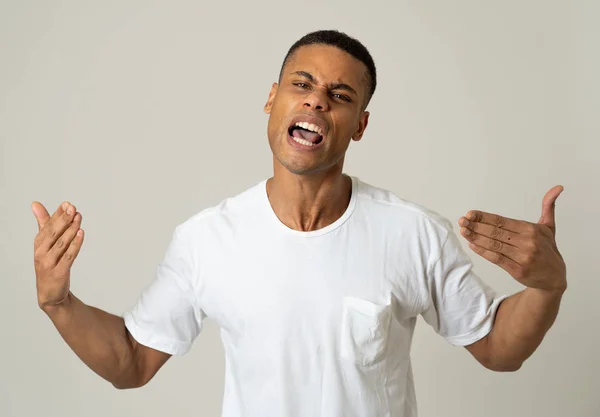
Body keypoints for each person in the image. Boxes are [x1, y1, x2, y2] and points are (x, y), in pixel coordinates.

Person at [32, 30, 567, 417]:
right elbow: (132, 362)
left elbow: (497, 348)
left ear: (359, 125)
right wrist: (59, 303)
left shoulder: (412, 233)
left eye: (340, 96)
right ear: (273, 98)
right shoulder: (206, 240)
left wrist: (547, 286)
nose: (316, 99)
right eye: (302, 83)